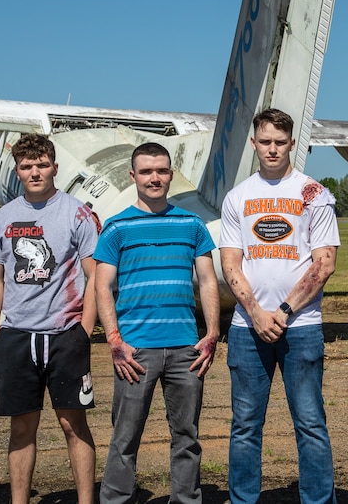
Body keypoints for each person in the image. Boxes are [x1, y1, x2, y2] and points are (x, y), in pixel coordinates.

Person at [219, 108, 339, 504]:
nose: (273, 150)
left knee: (309, 424)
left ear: (292, 144)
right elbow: (230, 263)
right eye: (265, 142)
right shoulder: (237, 197)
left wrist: (284, 312)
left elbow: (324, 263)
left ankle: (318, 500)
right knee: (245, 427)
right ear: (254, 143)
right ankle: (243, 499)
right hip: (246, 328)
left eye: (281, 142)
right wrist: (255, 313)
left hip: (301, 326)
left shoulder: (313, 194)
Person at [0, 133, 101, 504]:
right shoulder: (3, 218)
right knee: (22, 427)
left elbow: (95, 273)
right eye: (27, 166)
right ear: (18, 171)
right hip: (17, 336)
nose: (35, 172)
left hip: (65, 334)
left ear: (55, 167)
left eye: (42, 165)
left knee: (72, 423)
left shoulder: (76, 212)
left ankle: (85, 499)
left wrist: (85, 327)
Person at [94, 142, 220, 504]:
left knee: (187, 436)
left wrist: (211, 333)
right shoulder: (117, 227)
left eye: (162, 171)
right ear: (132, 176)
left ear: (171, 174)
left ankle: (185, 499)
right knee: (125, 438)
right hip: (136, 350)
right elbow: (102, 285)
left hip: (185, 348)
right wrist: (115, 341)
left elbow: (208, 280)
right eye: (147, 171)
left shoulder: (192, 224)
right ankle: (116, 499)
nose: (155, 178)